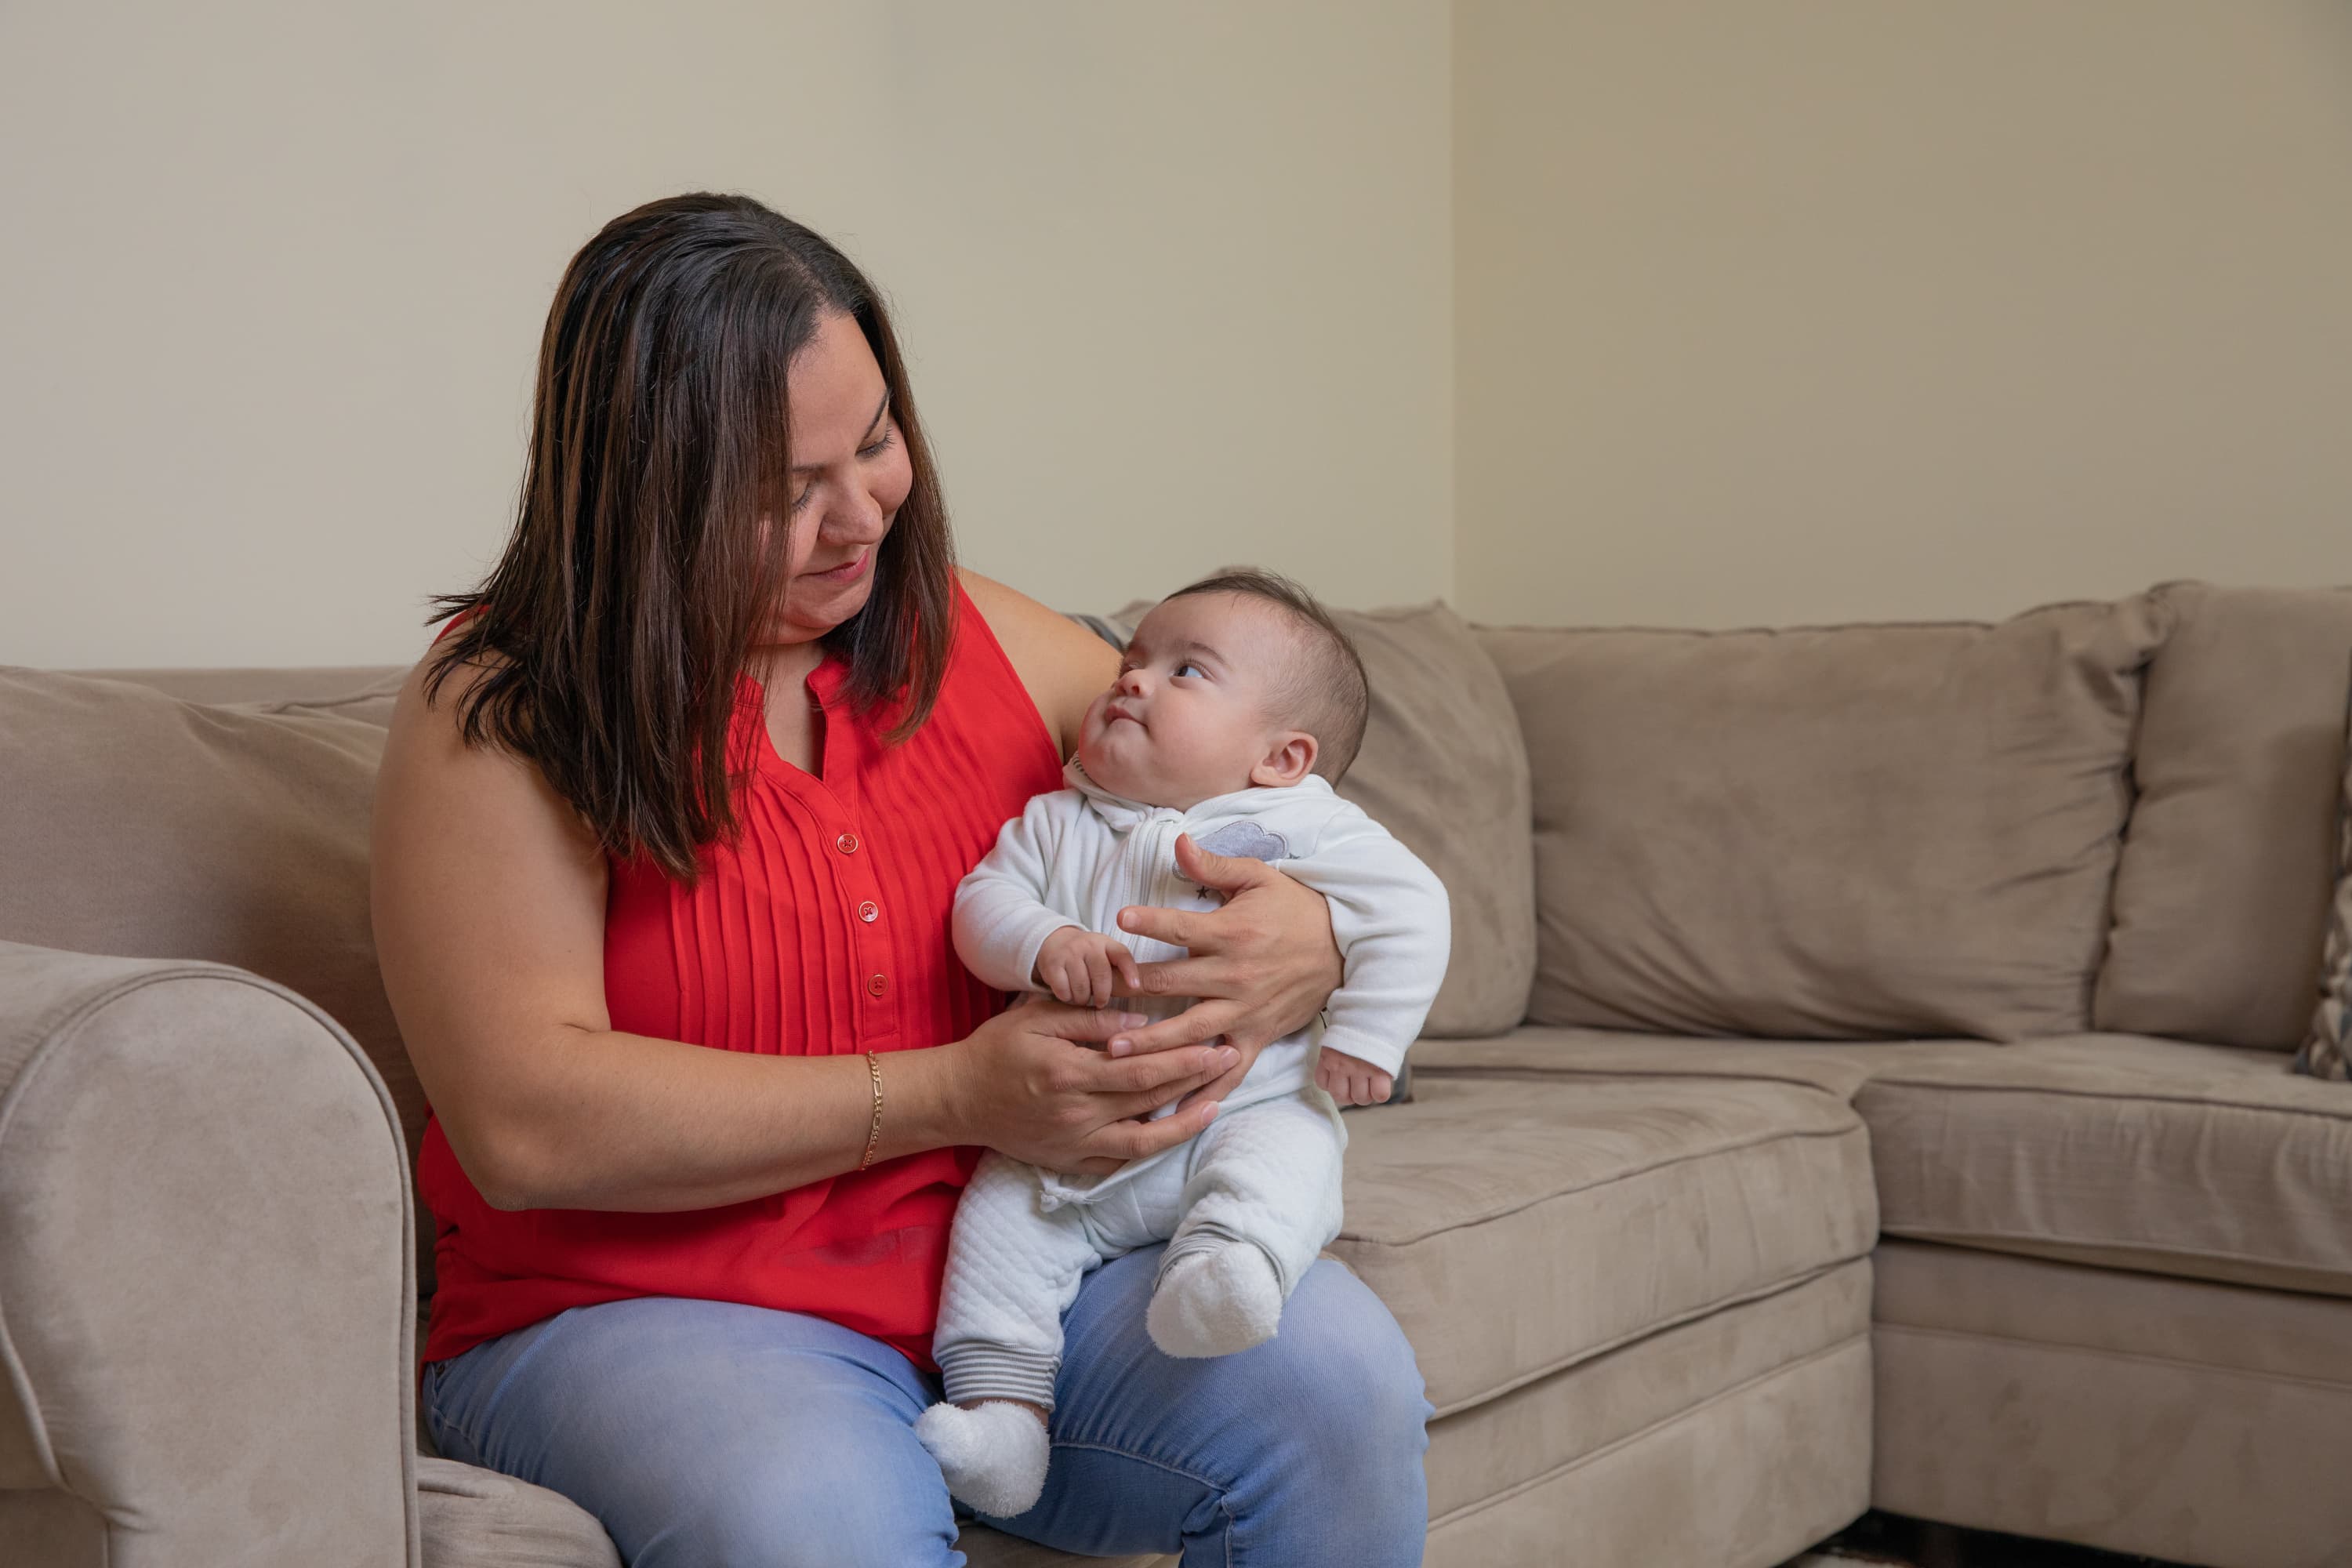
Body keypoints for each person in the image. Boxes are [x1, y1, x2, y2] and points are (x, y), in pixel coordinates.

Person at [368, 192, 1432, 1568]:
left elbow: (1280, 795)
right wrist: (950, 1093)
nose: (860, 511)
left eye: (876, 442)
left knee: (1334, 1386)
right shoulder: (501, 706)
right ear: (642, 490)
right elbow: (525, 1125)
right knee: (828, 1522)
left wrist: (1314, 947)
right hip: (643, 1306)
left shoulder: (974, 630)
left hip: (1010, 1282)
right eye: (782, 489)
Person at [916, 568, 1451, 1518]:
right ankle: (1003, 1411)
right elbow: (979, 907)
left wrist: (1368, 1034)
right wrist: (1042, 941)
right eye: (1130, 660)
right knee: (997, 1222)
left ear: (1282, 758)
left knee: (1292, 1153)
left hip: (1231, 1113)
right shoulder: (1056, 817)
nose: (1132, 680)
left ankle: (1229, 1266)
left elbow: (1410, 908)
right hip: (1066, 1152)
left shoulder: (1304, 828)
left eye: (1186, 671)